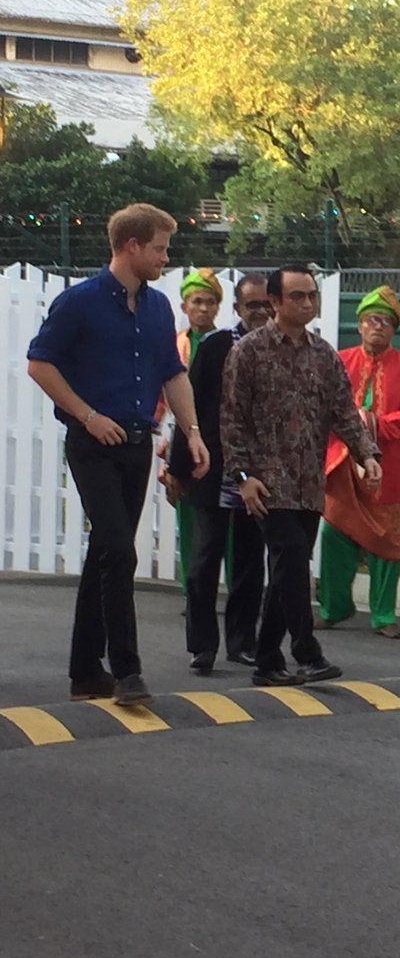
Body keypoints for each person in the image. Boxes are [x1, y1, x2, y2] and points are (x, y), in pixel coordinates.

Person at [26, 202, 209, 707]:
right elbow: (40, 365)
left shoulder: (156, 307)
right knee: (119, 548)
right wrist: (86, 415)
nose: (164, 258)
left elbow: (173, 373)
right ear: (131, 246)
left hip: (137, 444)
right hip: (92, 443)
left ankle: (86, 670)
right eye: (159, 248)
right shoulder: (80, 302)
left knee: (106, 553)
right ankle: (127, 671)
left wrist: (191, 432)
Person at [221, 264, 381, 686]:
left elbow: (344, 412)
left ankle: (268, 660)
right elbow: (232, 421)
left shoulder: (323, 354)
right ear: (274, 302)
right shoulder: (248, 352)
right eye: (297, 296)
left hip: (309, 481)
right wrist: (242, 475)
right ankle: (306, 650)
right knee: (291, 557)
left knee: (289, 566)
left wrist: (367, 454)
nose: (307, 303)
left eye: (311, 295)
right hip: (266, 483)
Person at [168, 273, 272, 673]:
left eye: (266, 304)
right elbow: (188, 411)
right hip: (212, 467)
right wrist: (179, 467)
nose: (260, 312)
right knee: (203, 560)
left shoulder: (280, 350)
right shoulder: (215, 347)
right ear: (237, 310)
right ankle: (202, 646)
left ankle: (242, 642)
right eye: (252, 306)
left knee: (249, 560)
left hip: (259, 472)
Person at [316, 286, 400, 639]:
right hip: (342, 464)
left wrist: (372, 424)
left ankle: (383, 616)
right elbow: (323, 407)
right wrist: (352, 429)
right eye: (371, 320)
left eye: (386, 322)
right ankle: (333, 608)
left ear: (394, 330)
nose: (378, 326)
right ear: (360, 325)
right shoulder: (340, 360)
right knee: (334, 533)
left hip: (389, 466)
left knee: (387, 540)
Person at [160, 268, 222, 597]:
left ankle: (214, 588)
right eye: (197, 301)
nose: (203, 308)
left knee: (217, 519)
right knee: (186, 514)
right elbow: (160, 391)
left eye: (210, 302)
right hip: (180, 439)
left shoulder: (226, 343)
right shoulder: (174, 344)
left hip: (216, 441)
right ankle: (193, 590)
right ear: (184, 307)